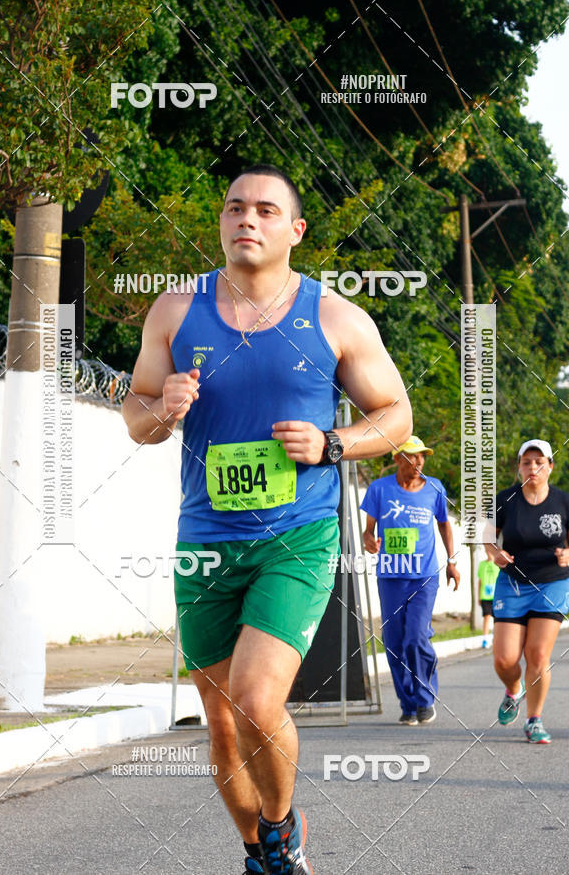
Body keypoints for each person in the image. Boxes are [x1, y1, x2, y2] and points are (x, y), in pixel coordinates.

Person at [122, 163, 412, 874]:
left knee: (255, 703)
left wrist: (333, 445)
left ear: (295, 231)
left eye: (265, 211)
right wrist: (164, 410)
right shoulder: (173, 311)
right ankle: (258, 854)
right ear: (221, 222)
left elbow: (397, 417)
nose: (246, 219)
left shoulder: (336, 316)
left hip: (298, 537)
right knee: (220, 722)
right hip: (206, 543)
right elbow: (136, 414)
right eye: (234, 208)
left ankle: (281, 829)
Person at [362, 436, 460, 725]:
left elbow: (444, 523)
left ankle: (425, 698)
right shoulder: (379, 489)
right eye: (411, 456)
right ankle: (408, 703)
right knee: (393, 642)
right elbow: (369, 530)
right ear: (396, 459)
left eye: (421, 457)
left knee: (416, 637)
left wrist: (452, 562)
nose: (417, 462)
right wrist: (369, 541)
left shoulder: (434, 488)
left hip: (424, 576)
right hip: (390, 575)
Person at [485, 439, 569, 744]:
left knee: (537, 654)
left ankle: (535, 720)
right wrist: (494, 554)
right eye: (527, 462)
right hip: (513, 582)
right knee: (505, 660)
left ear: (550, 466)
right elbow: (487, 537)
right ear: (519, 467)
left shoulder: (563, 501)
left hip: (553, 582)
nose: (533, 467)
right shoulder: (505, 499)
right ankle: (513, 689)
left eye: (539, 462)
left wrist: (568, 554)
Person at [477, 557, 499, 648]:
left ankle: (496, 638)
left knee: (496, 618)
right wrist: (478, 596)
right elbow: (480, 581)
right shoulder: (482, 564)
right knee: (487, 616)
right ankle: (485, 639)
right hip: (485, 595)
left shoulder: (497, 564)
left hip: (496, 595)